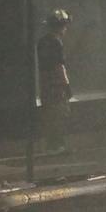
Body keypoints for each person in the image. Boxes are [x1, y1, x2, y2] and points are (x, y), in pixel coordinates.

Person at [35, 10, 72, 154]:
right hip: (57, 85)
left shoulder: (42, 42)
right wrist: (67, 85)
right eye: (65, 25)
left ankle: (50, 145)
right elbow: (59, 66)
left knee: (48, 115)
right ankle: (59, 146)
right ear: (60, 26)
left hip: (45, 84)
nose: (66, 29)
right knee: (60, 115)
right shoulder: (56, 43)